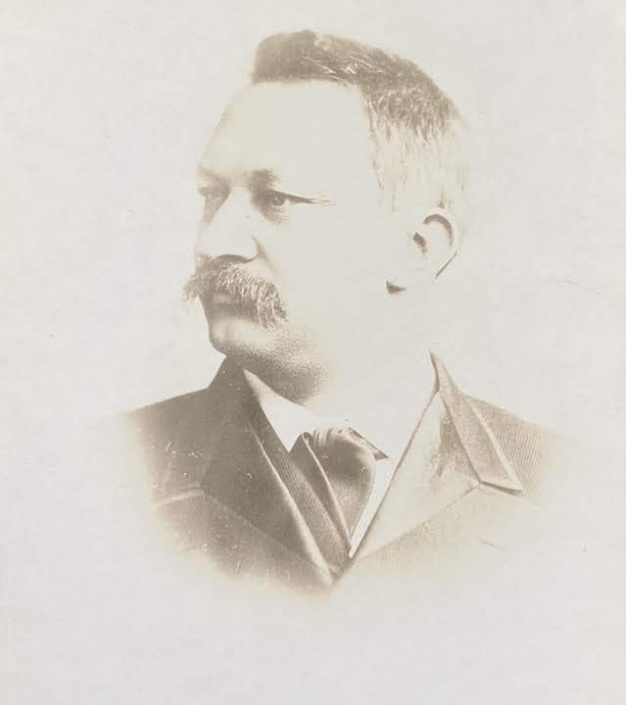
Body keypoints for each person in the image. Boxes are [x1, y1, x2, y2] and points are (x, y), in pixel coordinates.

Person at [121, 30, 565, 591]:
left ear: (416, 248)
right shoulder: (99, 480)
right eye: (213, 196)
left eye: (276, 199)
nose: (213, 242)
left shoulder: (578, 498)